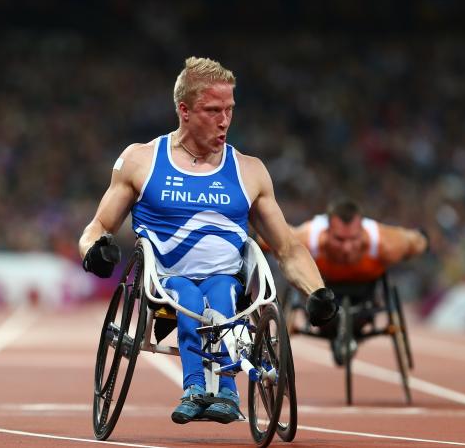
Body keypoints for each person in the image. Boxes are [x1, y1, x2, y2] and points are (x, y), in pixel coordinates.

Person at [78, 57, 338, 425]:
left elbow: (288, 248)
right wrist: (95, 251)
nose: (225, 120)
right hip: (166, 281)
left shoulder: (249, 170)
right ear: (184, 110)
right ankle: (194, 388)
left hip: (226, 278)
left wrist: (317, 292)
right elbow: (97, 226)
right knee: (189, 298)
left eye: (230, 109)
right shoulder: (142, 160)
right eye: (213, 110)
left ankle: (228, 394)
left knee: (220, 295)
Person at [292, 198, 428, 364]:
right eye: (340, 239)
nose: (347, 248)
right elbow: (270, 240)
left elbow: (415, 241)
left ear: (363, 231)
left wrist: (422, 239)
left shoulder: (385, 243)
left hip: (364, 295)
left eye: (353, 239)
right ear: (326, 232)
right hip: (321, 295)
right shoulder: (308, 240)